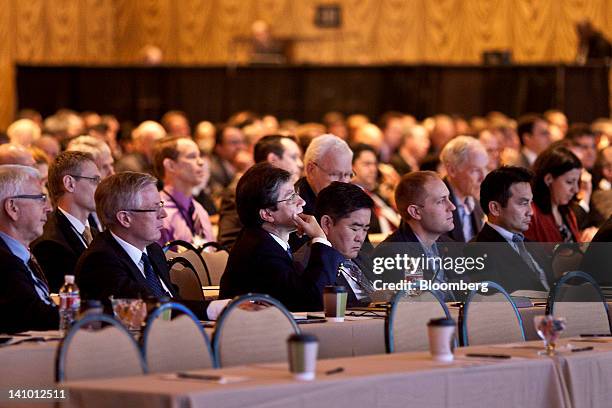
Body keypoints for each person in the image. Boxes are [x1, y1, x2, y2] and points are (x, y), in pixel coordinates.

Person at [75, 172, 228, 320]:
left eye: (161, 205)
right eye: (154, 208)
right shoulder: (100, 260)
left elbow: (170, 300)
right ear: (125, 218)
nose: (163, 214)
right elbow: (147, 307)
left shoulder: (153, 250)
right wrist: (212, 309)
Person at [219, 163, 344, 311]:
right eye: (291, 197)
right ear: (267, 214)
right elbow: (312, 300)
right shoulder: (262, 250)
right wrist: (320, 239)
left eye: (296, 193)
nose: (302, 202)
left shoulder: (260, 240)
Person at [373, 171, 460, 301]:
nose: (452, 207)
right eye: (441, 201)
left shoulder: (450, 246)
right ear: (415, 212)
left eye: (449, 198)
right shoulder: (392, 254)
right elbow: (410, 308)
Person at [467, 166, 550, 292]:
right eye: (523, 203)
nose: (531, 212)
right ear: (495, 208)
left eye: (530, 202)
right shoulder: (476, 251)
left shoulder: (532, 245)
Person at [294, 182, 377, 307]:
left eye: (365, 229)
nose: (360, 238)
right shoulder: (304, 265)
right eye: (354, 229)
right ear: (327, 224)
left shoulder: (363, 258)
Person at [217, 135, 303, 249]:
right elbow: (228, 244)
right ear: (272, 159)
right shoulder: (245, 192)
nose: (300, 164)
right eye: (293, 157)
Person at [31, 152, 101, 292]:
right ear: (69, 183)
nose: (101, 188)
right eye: (95, 180)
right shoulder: (48, 242)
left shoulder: (93, 232)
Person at [0, 165, 57, 333]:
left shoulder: (20, 255)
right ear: (12, 207)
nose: (49, 208)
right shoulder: (4, 261)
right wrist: (92, 314)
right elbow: (35, 317)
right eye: (41, 198)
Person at [292, 134, 353, 250]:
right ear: (311, 169)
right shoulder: (295, 206)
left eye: (348, 175)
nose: (344, 182)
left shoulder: (350, 203)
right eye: (335, 174)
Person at [153, 136, 214, 246]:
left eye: (199, 156)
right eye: (192, 157)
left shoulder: (199, 210)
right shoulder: (157, 213)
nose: (201, 162)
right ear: (170, 165)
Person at [525, 145, 582, 242]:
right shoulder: (530, 215)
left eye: (577, 182)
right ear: (548, 179)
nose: (576, 189)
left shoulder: (567, 211)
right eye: (569, 182)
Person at [440, 136, 488, 242]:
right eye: (475, 170)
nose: (483, 177)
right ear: (452, 170)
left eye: (485, 168)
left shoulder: (478, 202)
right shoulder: (435, 205)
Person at [351, 144, 400, 234]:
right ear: (352, 167)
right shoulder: (349, 199)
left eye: (375, 164)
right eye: (367, 164)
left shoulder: (377, 196)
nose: (373, 169)